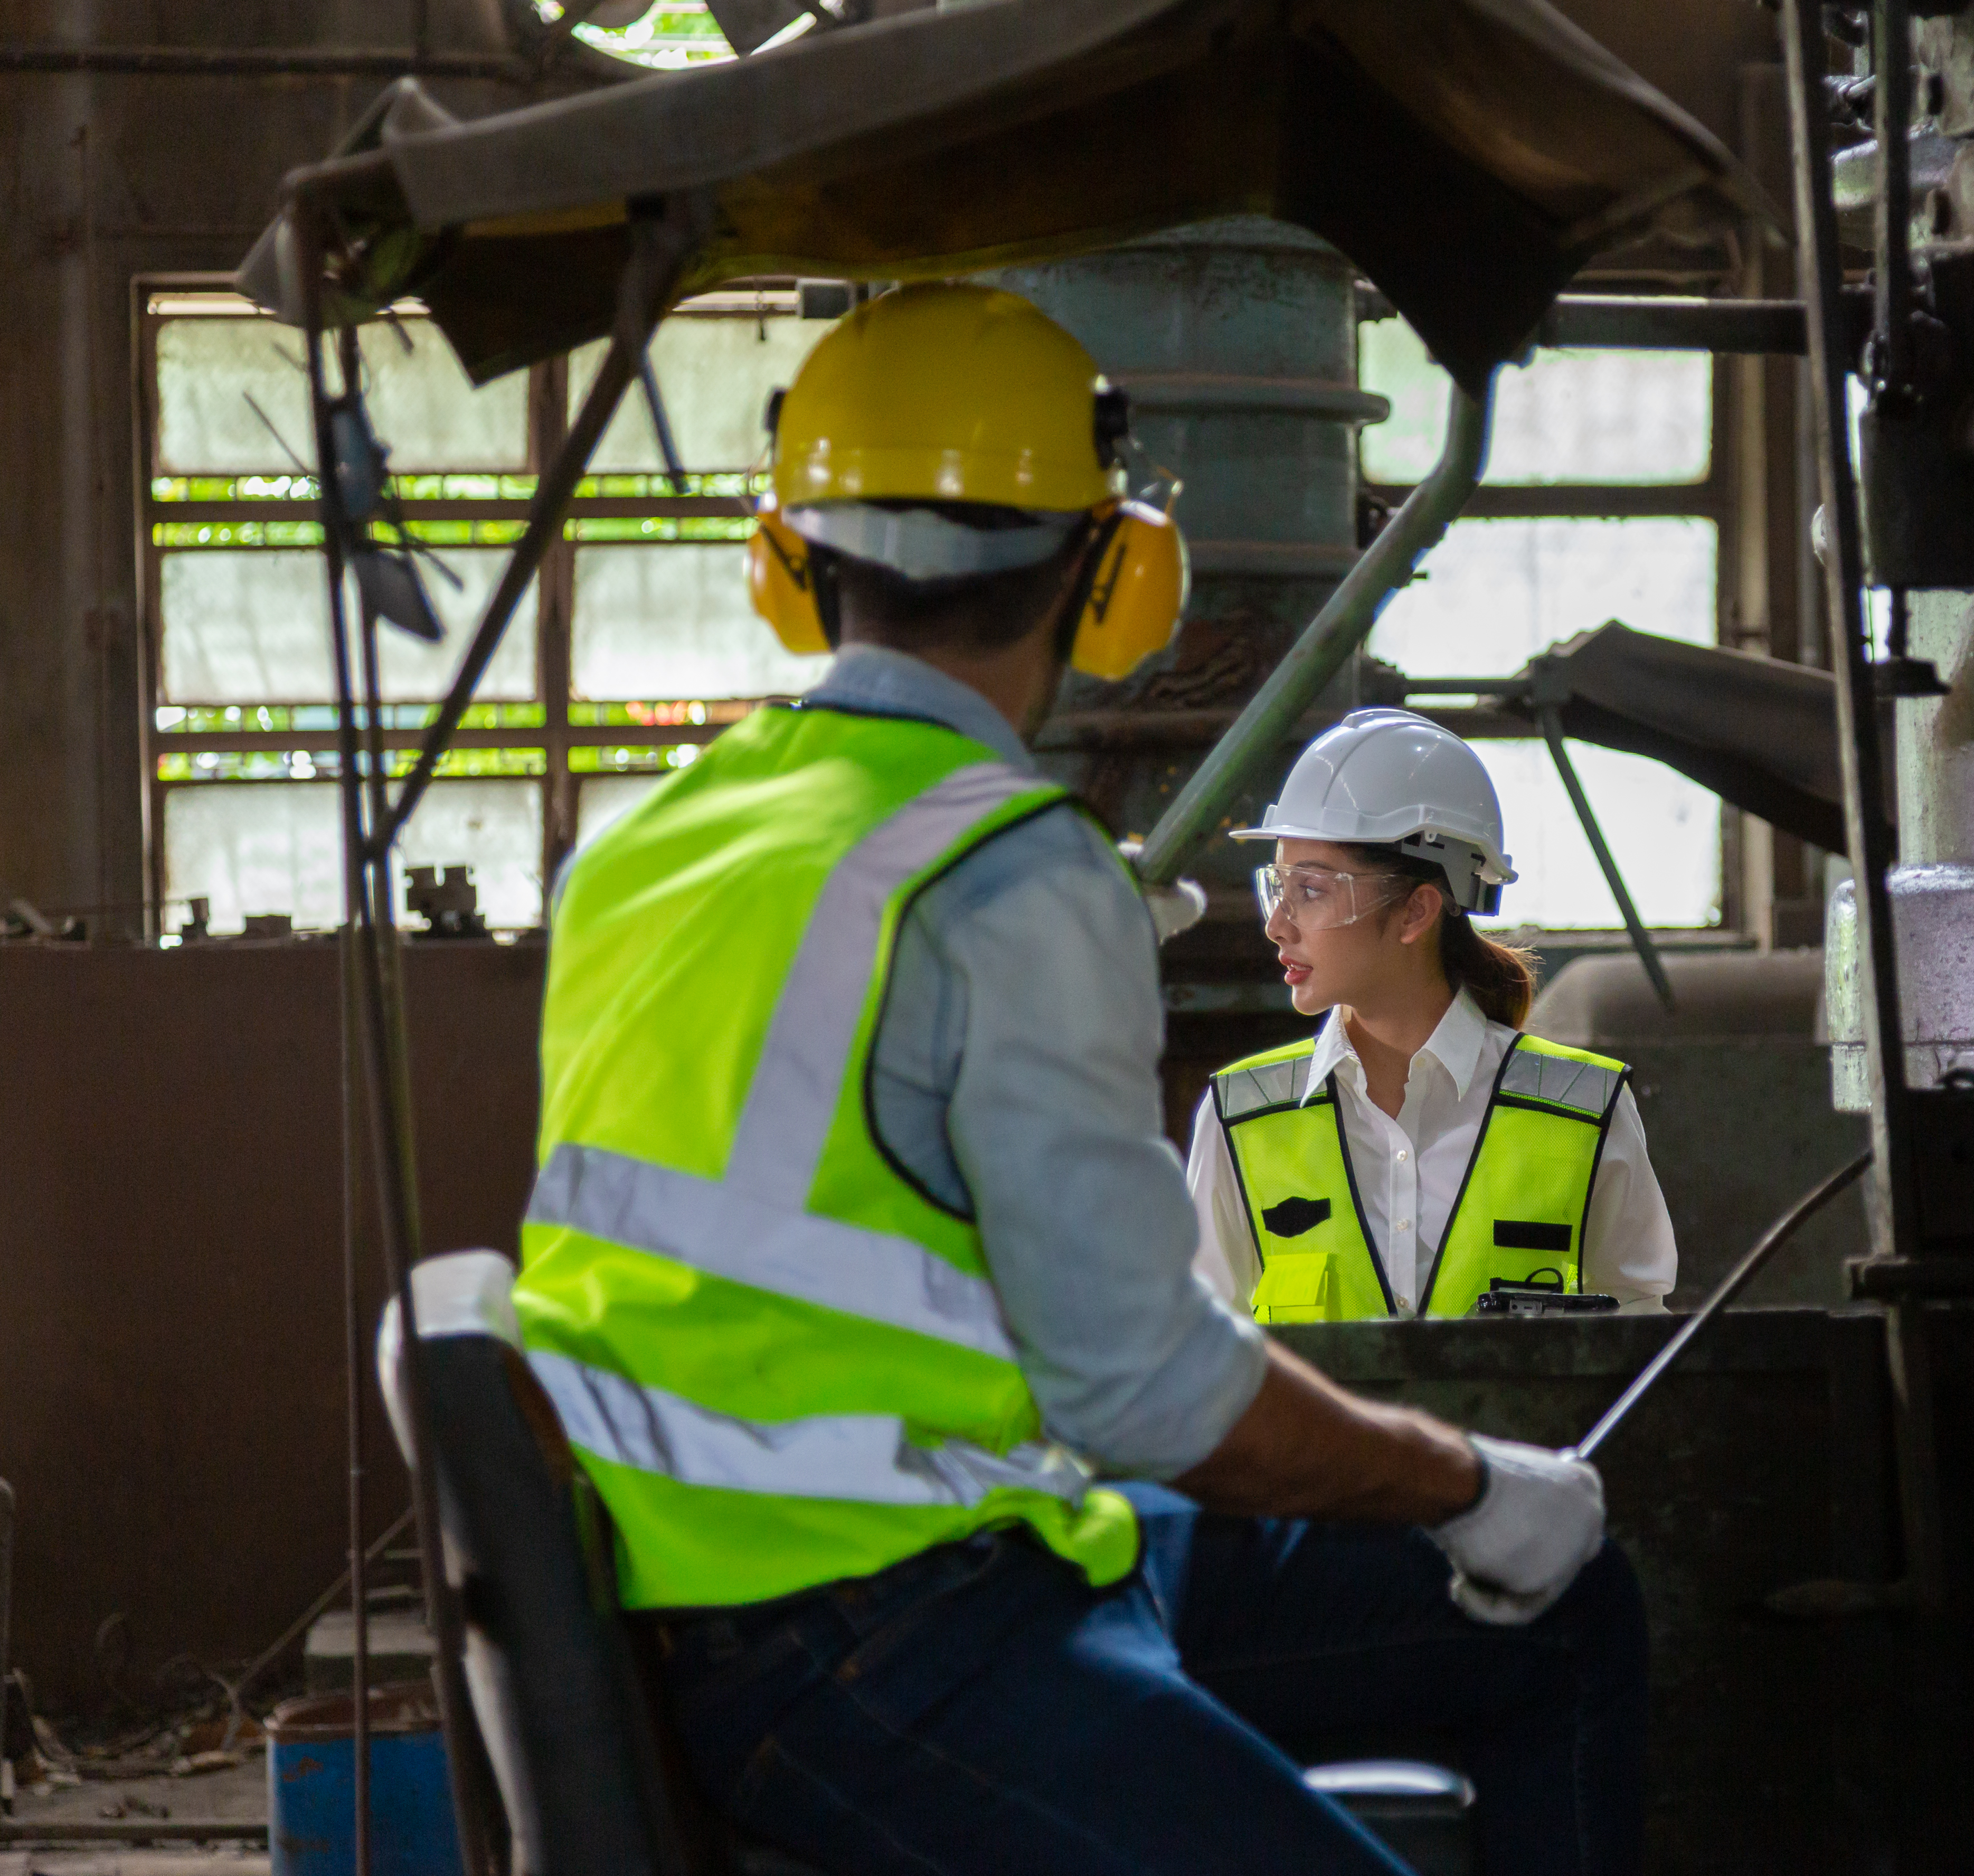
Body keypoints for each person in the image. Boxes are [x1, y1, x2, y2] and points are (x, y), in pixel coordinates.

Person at [509, 284, 1647, 1876]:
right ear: (1112, 572)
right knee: (1547, 1578)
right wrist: (1468, 1480)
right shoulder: (1016, 875)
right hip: (889, 1636)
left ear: (786, 561)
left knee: (1566, 1609)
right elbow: (1148, 1395)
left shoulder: (632, 850)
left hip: (789, 1579)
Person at [1186, 711, 1679, 1322]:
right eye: (1278, 888)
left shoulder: (1583, 1111)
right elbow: (1198, 1352)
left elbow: (1639, 1347)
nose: (1277, 925)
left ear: (1415, 912)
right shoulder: (1239, 1119)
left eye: (1310, 891)